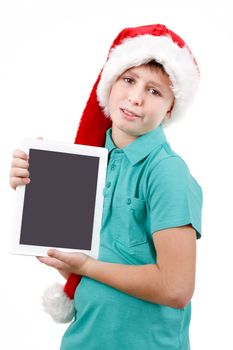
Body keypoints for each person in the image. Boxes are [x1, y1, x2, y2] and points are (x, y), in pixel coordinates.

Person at [9, 24, 203, 350]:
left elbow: (176, 287)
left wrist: (88, 266)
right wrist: (33, 197)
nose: (135, 97)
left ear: (170, 108)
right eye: (128, 80)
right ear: (109, 84)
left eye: (154, 91)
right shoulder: (88, 163)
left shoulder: (167, 173)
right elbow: (80, 270)